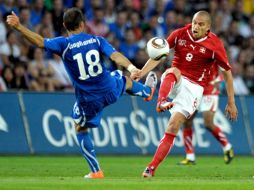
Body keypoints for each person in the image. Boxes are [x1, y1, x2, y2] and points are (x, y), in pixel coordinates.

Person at [6, 8, 158, 179]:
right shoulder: (96, 40)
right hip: (109, 88)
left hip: (90, 99)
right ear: (83, 24)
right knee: (124, 79)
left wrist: (19, 26)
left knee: (80, 128)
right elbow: (115, 55)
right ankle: (146, 91)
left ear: (65, 25)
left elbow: (40, 42)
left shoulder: (63, 44)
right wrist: (132, 67)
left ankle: (96, 171)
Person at [131, 10, 238, 178]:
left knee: (173, 126)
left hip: (194, 89)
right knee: (172, 70)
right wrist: (141, 72)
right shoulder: (180, 33)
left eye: (201, 24)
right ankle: (161, 100)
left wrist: (231, 102)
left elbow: (227, 73)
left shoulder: (215, 44)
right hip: (176, 79)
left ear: (208, 27)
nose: (196, 26)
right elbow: (158, 55)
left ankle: (151, 168)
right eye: (195, 22)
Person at [179, 64, 234, 165]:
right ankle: (190, 156)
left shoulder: (215, 49)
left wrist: (219, 80)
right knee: (187, 121)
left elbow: (225, 66)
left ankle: (227, 146)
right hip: (195, 88)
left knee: (208, 123)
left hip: (210, 89)